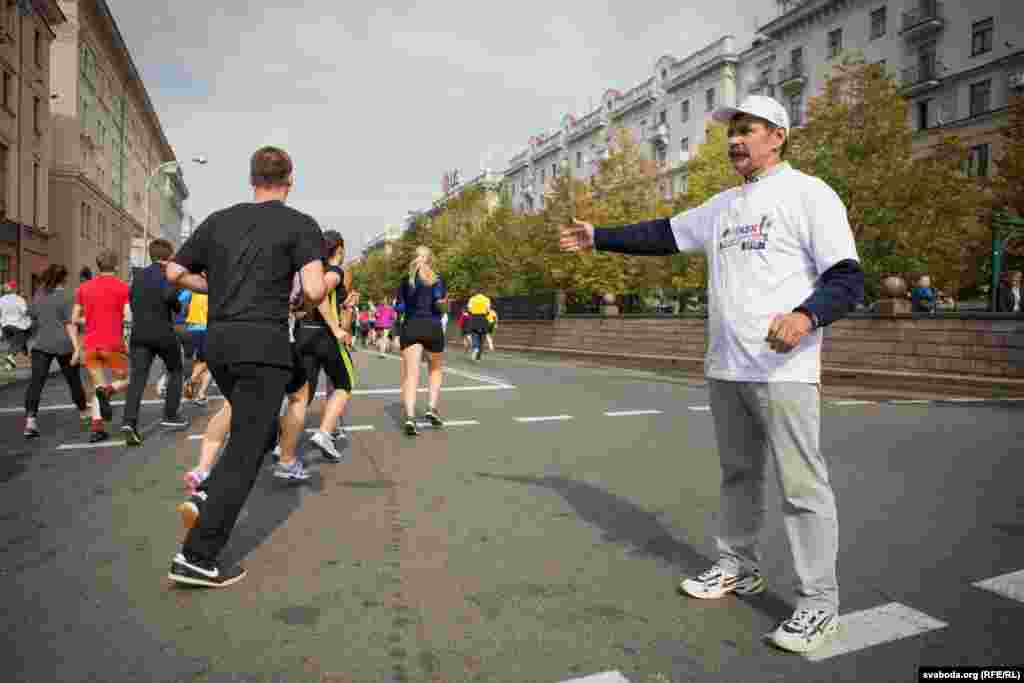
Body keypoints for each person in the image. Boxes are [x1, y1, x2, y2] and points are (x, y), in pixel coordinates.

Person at [560, 95, 865, 654]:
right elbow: (663, 234)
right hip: (727, 366)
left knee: (803, 489)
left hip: (784, 370)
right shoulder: (723, 206)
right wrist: (599, 236)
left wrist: (805, 316)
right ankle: (738, 565)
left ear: (778, 135)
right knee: (738, 476)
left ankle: (818, 604)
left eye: (745, 129)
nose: (733, 140)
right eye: (729, 132)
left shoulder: (809, 194)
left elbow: (847, 279)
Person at [164, 145, 327, 588]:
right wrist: (302, 300)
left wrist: (210, 285)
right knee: (248, 444)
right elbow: (313, 288)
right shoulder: (300, 224)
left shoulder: (219, 220)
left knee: (260, 433)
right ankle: (198, 556)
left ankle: (207, 496)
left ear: (251, 179)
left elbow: (174, 272)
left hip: (219, 345)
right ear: (289, 180)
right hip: (263, 343)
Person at [275, 230, 357, 477]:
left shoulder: (306, 271)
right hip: (325, 336)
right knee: (345, 383)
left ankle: (283, 447)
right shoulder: (334, 271)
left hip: (304, 334)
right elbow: (319, 294)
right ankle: (324, 432)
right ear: (339, 249)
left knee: (302, 395)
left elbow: (301, 303)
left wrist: (348, 308)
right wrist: (336, 329)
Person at [120, 239, 189, 446]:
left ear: (151, 255)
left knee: (138, 378)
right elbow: (169, 295)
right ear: (169, 256)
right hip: (162, 332)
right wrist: (178, 306)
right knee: (176, 369)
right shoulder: (168, 274)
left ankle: (129, 422)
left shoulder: (138, 275)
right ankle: (170, 415)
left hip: (139, 333)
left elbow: (131, 299)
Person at [22, 266, 90, 438]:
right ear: (63, 279)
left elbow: (30, 314)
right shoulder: (68, 296)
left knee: (36, 383)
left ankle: (30, 422)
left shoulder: (39, 294)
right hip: (63, 344)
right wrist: (77, 347)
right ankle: (83, 413)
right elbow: (70, 324)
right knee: (73, 380)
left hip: (41, 344)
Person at [73, 249, 132, 443]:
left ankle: (97, 428)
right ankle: (109, 391)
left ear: (98, 266)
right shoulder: (124, 288)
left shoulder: (83, 288)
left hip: (91, 343)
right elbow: (128, 316)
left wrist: (89, 318)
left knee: (97, 385)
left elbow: (75, 318)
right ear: (115, 266)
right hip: (112, 342)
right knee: (125, 380)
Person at [395, 245, 447, 435]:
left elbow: (399, 308)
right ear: (430, 260)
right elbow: (439, 304)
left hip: (411, 326)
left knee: (411, 374)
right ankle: (431, 408)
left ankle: (409, 417)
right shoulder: (437, 280)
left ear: (414, 259)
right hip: (432, 326)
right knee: (435, 368)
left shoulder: (405, 281)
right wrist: (444, 305)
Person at [1, 280, 32, 370]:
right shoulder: (19, 299)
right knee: (19, 341)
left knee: (15, 343)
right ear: (14, 289)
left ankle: (11, 364)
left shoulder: (1, 299)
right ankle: (11, 357)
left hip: (5, 326)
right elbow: (25, 311)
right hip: (18, 326)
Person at [464, 292, 491, 361]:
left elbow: (469, 309)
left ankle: (475, 347)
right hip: (483, 319)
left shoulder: (472, 299)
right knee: (482, 338)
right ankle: (478, 357)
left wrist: (471, 313)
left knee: (474, 334)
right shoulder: (486, 299)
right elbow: (488, 310)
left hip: (474, 318)